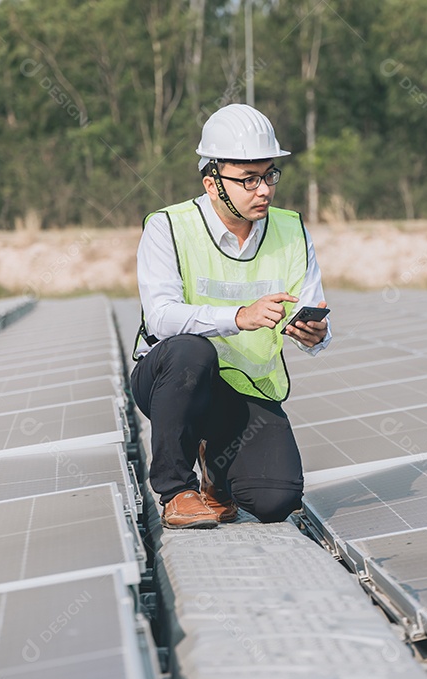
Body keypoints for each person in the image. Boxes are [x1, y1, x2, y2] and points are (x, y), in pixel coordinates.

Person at [130, 103, 331, 529]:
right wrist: (239, 316)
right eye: (249, 179)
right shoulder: (167, 227)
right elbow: (161, 318)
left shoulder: (291, 231)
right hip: (174, 381)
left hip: (243, 389)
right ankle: (175, 490)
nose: (264, 190)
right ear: (212, 183)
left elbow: (309, 307)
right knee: (190, 352)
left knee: (276, 500)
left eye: (270, 175)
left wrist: (314, 334)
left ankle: (215, 475)